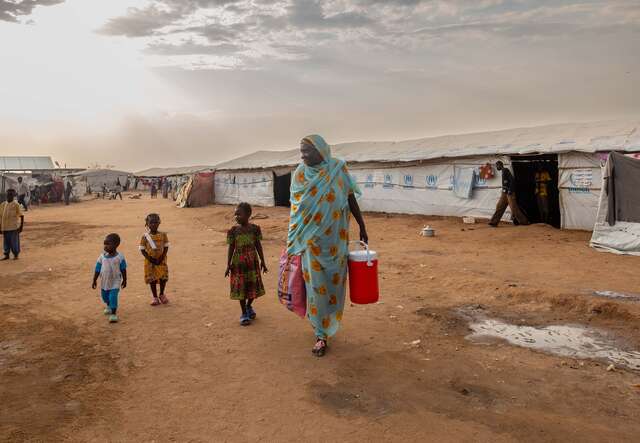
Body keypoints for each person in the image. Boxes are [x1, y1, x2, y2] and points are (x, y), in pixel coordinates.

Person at [287, 135, 368, 357]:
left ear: (321, 151)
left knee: (333, 286)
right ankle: (321, 334)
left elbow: (350, 198)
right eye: (301, 151)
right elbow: (296, 210)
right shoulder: (300, 174)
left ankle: (327, 322)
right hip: (311, 244)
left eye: (307, 151)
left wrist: (362, 225)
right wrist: (295, 238)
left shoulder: (338, 169)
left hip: (335, 241)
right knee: (315, 288)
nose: (303, 156)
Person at [225, 202, 268, 326]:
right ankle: (244, 313)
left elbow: (258, 245)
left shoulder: (254, 229)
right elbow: (231, 248)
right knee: (241, 288)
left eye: (239, 214)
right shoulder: (233, 231)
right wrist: (228, 265)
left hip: (252, 264)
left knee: (252, 288)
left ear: (248, 214)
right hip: (238, 265)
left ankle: (249, 306)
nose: (236, 217)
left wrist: (263, 261)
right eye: (235, 215)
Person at [92, 233, 127, 323]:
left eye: (108, 244)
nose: (105, 246)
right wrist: (94, 279)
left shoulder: (120, 257)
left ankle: (113, 314)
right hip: (105, 281)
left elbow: (123, 269)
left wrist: (125, 280)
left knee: (113, 296)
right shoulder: (102, 257)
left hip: (115, 281)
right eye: (105, 243)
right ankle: (108, 305)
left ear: (116, 245)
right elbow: (97, 268)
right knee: (105, 297)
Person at [139, 213, 170, 306]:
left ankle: (161, 294)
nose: (153, 224)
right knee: (152, 279)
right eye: (151, 223)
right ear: (147, 224)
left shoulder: (163, 235)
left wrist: (162, 257)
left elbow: (166, 246)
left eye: (156, 222)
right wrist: (150, 258)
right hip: (150, 262)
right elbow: (142, 249)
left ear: (159, 223)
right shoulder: (145, 237)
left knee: (163, 277)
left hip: (162, 261)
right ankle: (155, 297)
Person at [489, 161, 529, 227]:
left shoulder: (505, 170)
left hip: (509, 192)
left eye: (497, 166)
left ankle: (524, 221)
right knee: (500, 206)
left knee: (514, 208)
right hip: (505, 192)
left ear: (500, 165)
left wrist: (510, 190)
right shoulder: (503, 171)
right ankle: (494, 222)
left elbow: (512, 181)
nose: (496, 167)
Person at [0, 189, 25, 260]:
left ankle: (16, 254)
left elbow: (21, 215)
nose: (9, 196)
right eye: (8, 194)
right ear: (6, 195)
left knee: (14, 242)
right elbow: (0, 216)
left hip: (13, 227)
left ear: (14, 195)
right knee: (6, 241)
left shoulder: (16, 204)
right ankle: (6, 254)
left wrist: (21, 226)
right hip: (5, 226)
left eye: (11, 194)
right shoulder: (2, 204)